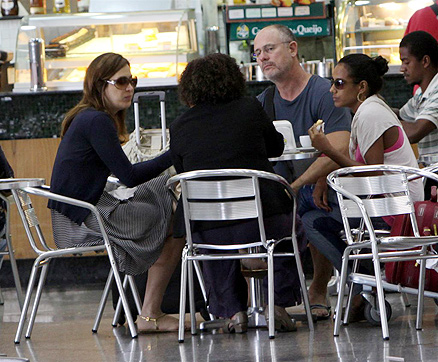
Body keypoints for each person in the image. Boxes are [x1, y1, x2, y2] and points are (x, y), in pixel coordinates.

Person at [48, 52, 185, 333]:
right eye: (121, 82)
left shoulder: (85, 117)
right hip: (85, 219)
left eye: (132, 81)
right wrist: (176, 152)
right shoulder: (97, 121)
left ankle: (148, 312)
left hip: (78, 214)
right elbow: (130, 176)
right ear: (101, 85)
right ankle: (150, 314)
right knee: (173, 214)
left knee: (167, 208)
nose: (130, 88)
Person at [170, 53, 302, 333]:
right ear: (234, 80)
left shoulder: (180, 125)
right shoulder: (249, 109)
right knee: (291, 230)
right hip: (261, 220)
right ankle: (276, 302)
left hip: (207, 226)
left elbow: (183, 170)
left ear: (189, 87)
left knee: (213, 246)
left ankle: (232, 312)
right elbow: (276, 148)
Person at [305, 53, 424, 319]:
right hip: (388, 207)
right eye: (332, 83)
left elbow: (371, 177)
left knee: (308, 214)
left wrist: (327, 149)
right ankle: (362, 287)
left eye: (339, 83)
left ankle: (362, 287)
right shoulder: (368, 110)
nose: (332, 89)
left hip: (396, 214)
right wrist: (323, 176)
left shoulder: (370, 114)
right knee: (310, 209)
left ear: (361, 87)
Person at [253, 24, 352, 319]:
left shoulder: (324, 93)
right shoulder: (263, 104)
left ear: (293, 49)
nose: (262, 58)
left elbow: (339, 148)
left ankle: (320, 287)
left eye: (269, 49)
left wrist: (297, 185)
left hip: (328, 190)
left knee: (309, 201)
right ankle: (270, 298)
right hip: (283, 188)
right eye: (257, 53)